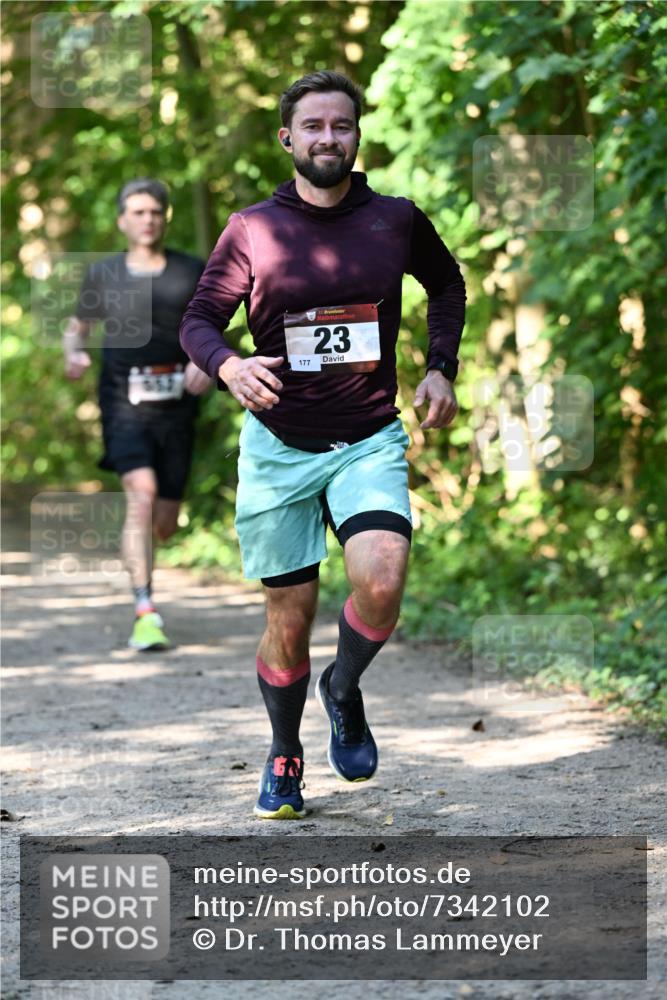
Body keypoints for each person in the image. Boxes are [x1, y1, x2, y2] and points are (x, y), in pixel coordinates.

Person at [180, 71, 465, 819]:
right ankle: (284, 754)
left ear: (356, 136)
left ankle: (343, 688)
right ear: (288, 138)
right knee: (290, 613)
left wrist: (440, 367)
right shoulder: (253, 229)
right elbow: (200, 321)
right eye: (312, 127)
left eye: (340, 126)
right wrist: (230, 365)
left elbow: (446, 285)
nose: (327, 138)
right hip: (278, 446)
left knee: (382, 576)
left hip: (368, 436)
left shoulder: (395, 220)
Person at [64, 178, 212, 651]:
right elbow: (77, 327)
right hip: (122, 401)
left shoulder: (191, 269)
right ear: (122, 220)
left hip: (177, 404)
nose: (147, 219)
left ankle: (141, 554)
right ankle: (145, 608)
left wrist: (206, 360)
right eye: (138, 212)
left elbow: (215, 324)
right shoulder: (104, 274)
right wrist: (75, 353)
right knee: (141, 496)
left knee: (164, 520)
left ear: (164, 218)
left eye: (155, 212)